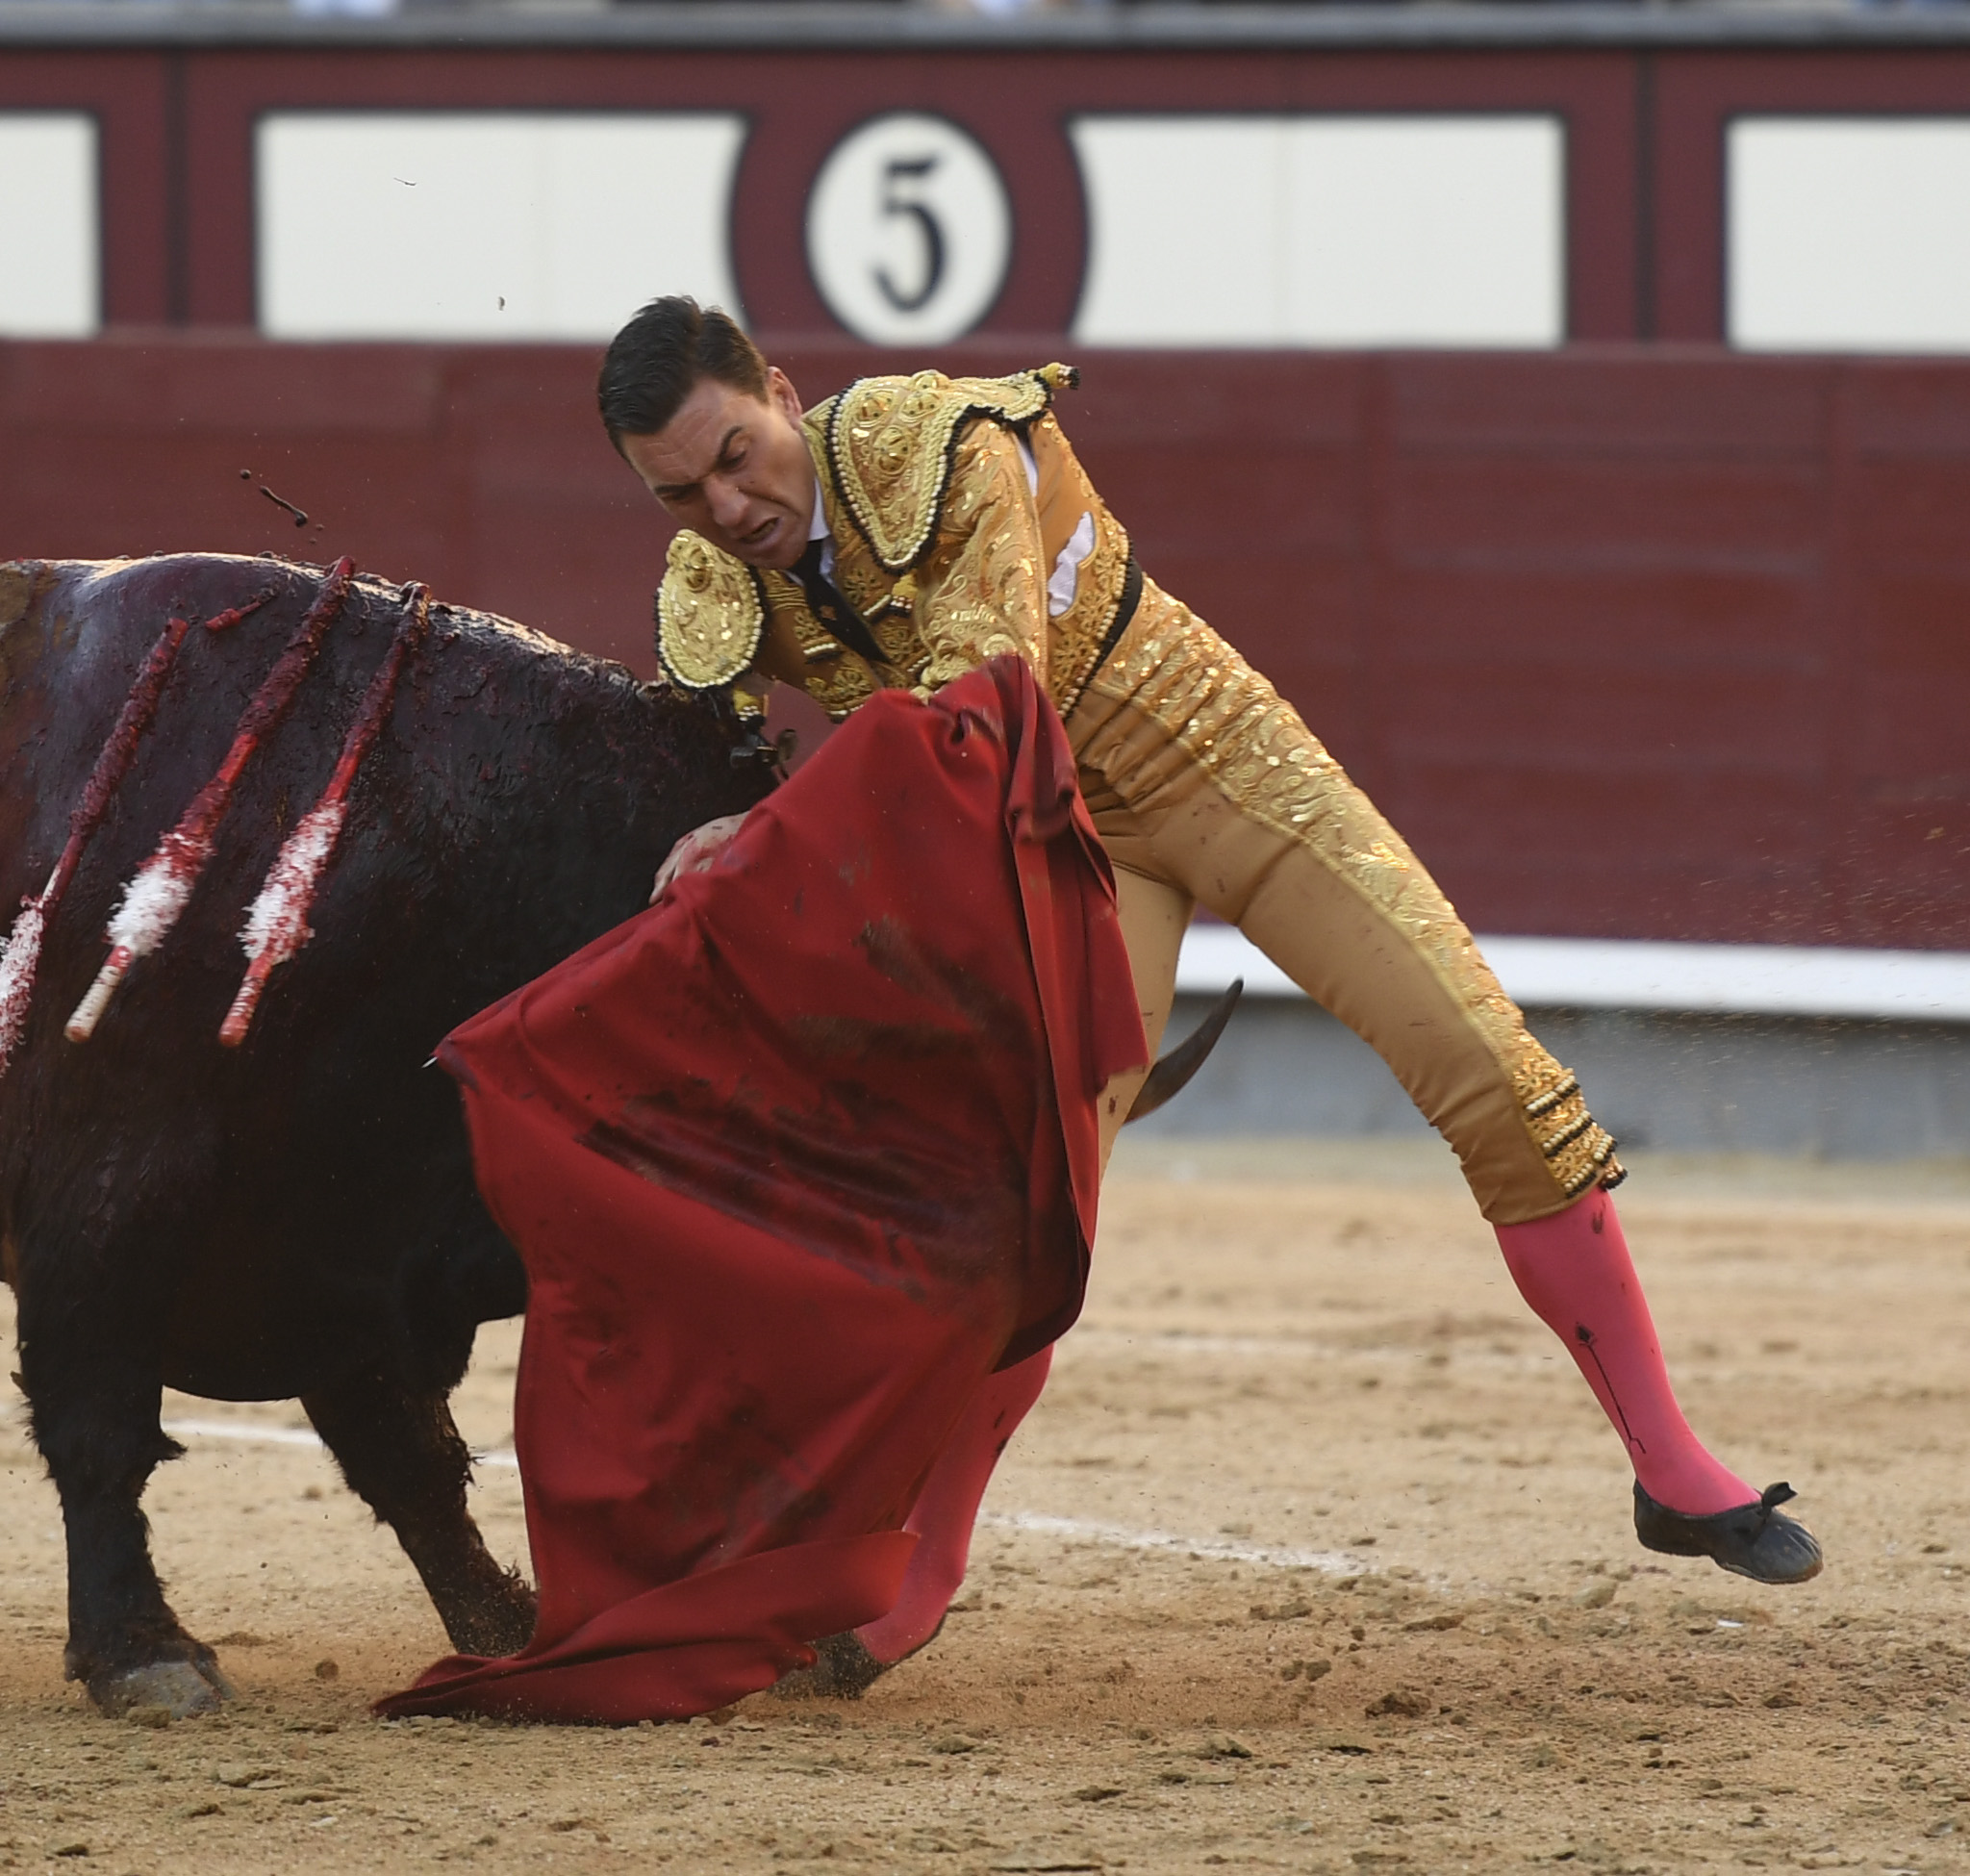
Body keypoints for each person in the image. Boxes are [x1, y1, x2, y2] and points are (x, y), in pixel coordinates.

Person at [597, 296, 1822, 1689]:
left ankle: (1670, 1463)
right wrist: (721, 820)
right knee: (1028, 1210)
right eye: (680, 494)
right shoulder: (709, 596)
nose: (726, 505)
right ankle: (916, 1568)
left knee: (1488, 1071)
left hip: (1214, 764)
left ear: (777, 388)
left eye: (737, 454)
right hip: (1063, 862)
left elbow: (986, 706)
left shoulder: (930, 442)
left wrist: (758, 834)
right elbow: (718, 780)